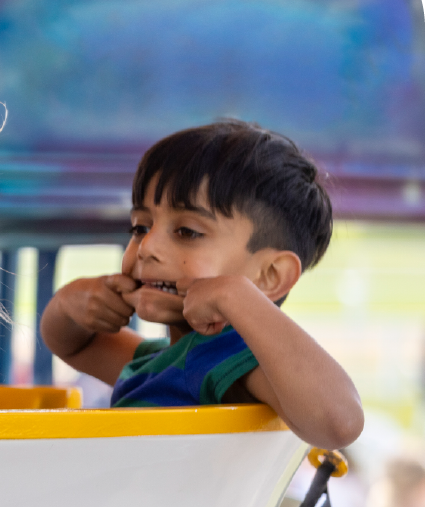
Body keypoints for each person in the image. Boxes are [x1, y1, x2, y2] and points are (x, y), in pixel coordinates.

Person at [39, 120, 364, 449]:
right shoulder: (163, 363)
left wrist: (235, 296)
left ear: (270, 276)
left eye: (187, 232)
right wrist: (67, 304)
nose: (147, 247)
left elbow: (340, 423)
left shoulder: (230, 365)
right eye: (140, 228)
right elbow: (73, 344)